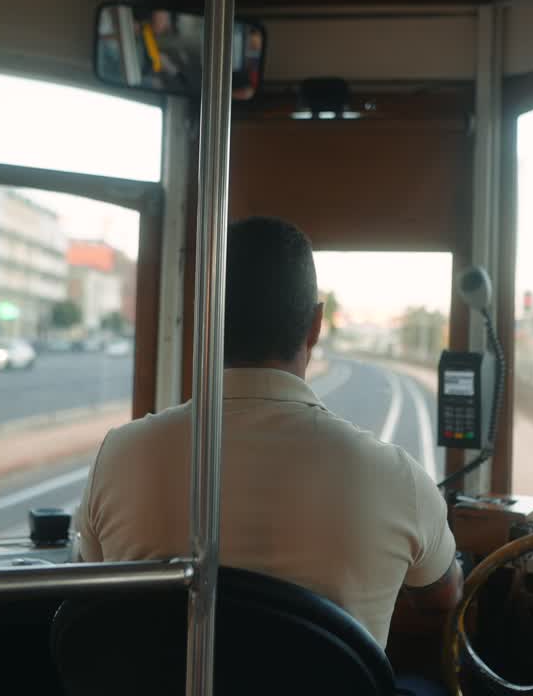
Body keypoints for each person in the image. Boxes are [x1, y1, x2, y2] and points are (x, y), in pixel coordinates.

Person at [75, 216, 462, 651]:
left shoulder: (120, 455)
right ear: (315, 326)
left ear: (207, 321)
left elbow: (90, 578)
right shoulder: (399, 479)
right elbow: (444, 598)